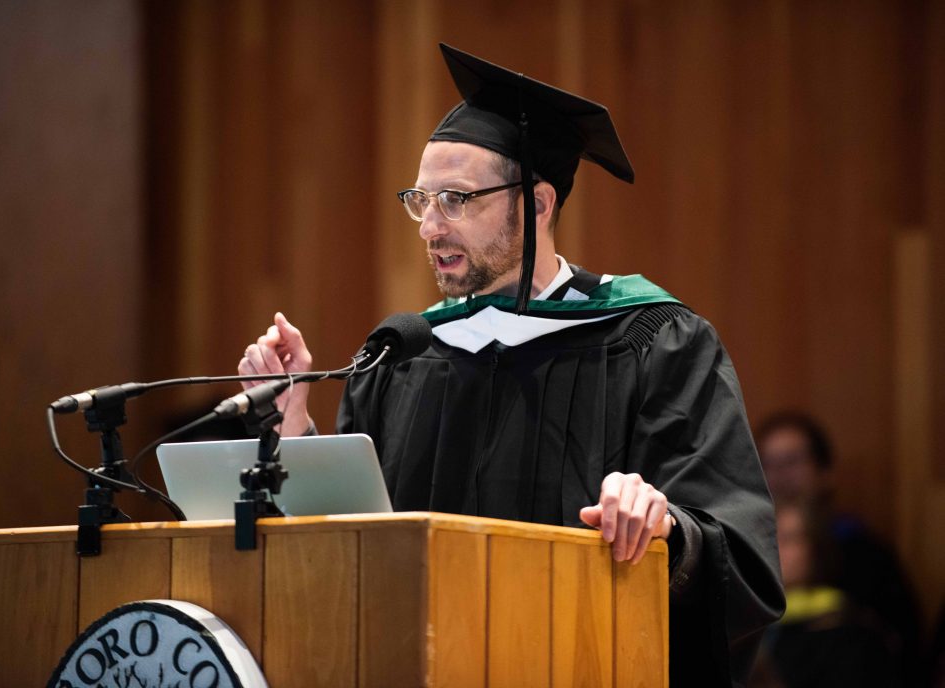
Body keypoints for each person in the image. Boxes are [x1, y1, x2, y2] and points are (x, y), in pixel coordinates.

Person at [239, 44, 784, 686]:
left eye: (457, 201)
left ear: (538, 203)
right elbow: (352, 550)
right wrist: (296, 429)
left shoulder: (651, 341)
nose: (429, 228)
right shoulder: (404, 354)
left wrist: (667, 526)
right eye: (422, 199)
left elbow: (738, 559)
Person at [755, 412, 922, 684]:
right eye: (767, 464)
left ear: (825, 471)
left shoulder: (863, 557)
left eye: (792, 462)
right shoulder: (743, 566)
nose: (779, 477)